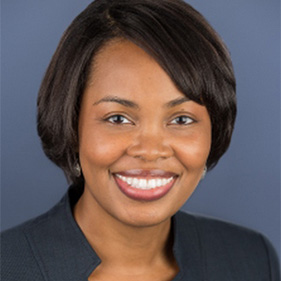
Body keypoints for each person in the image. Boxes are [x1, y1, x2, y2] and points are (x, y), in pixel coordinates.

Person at [1, 0, 280, 280]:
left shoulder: (252, 260)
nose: (150, 151)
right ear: (72, 125)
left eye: (181, 119)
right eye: (118, 119)